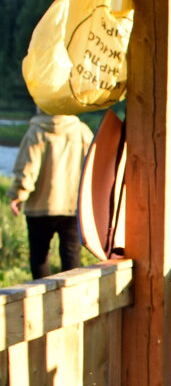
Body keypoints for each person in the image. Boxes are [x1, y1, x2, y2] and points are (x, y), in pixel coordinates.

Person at [8, 108, 93, 279]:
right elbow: (94, 165)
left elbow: (27, 170)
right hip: (72, 206)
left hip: (39, 207)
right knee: (71, 257)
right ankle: (70, 301)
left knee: (39, 257)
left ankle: (43, 302)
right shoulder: (81, 131)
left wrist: (18, 195)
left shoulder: (36, 131)